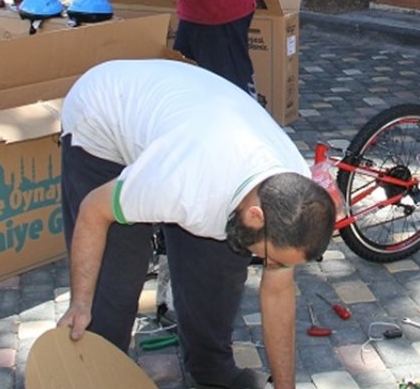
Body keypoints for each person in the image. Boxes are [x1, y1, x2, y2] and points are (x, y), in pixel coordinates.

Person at [57, 59, 335, 389]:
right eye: (271, 258)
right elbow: (93, 211)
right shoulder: (183, 184)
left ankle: (211, 372)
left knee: (219, 270)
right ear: (256, 216)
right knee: (115, 286)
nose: (271, 267)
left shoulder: (293, 195)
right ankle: (96, 376)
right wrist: (80, 303)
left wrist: (285, 387)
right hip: (100, 119)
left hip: (184, 120)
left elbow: (277, 294)